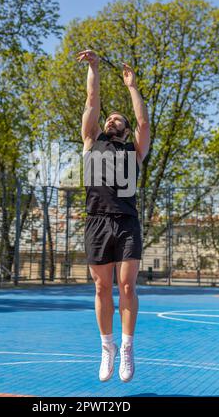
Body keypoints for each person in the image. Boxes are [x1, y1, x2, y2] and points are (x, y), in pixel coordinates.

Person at [77, 49, 150, 382]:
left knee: (126, 285)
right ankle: (106, 348)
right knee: (101, 288)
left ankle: (126, 347)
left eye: (118, 119)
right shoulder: (92, 141)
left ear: (124, 128)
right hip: (96, 221)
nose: (112, 120)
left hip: (125, 222)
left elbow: (144, 123)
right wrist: (94, 68)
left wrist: (133, 87)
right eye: (110, 119)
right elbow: (92, 102)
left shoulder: (133, 151)